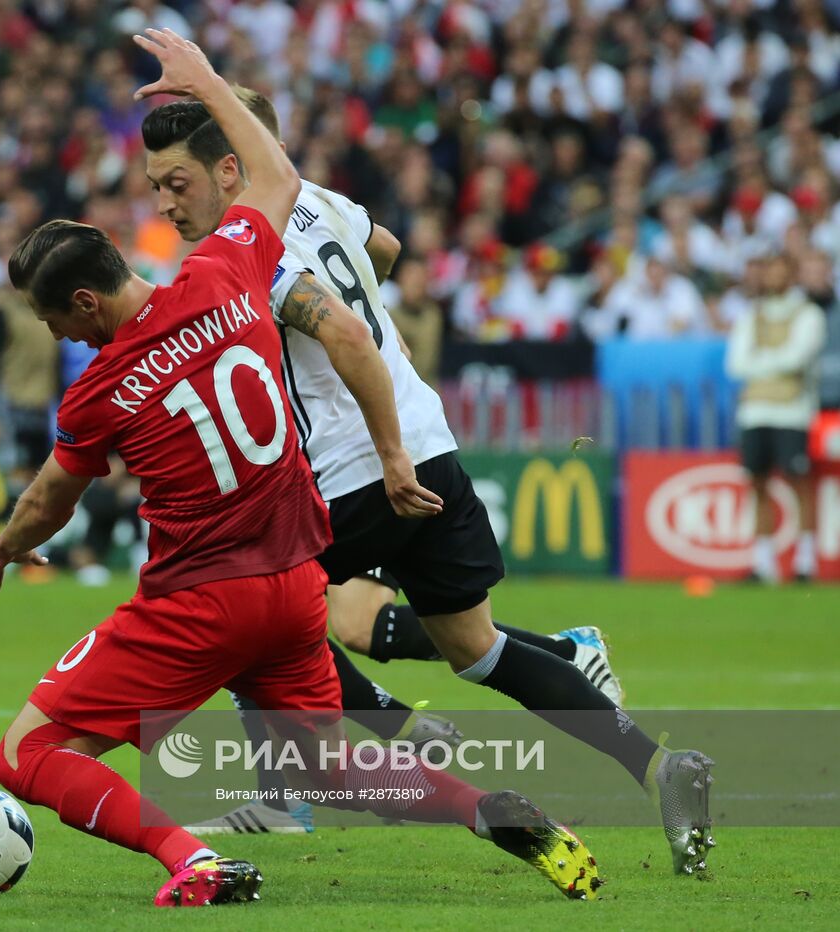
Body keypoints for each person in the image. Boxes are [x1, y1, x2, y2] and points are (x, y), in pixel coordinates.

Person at [0, 30, 600, 907]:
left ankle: (192, 860)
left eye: (51, 320)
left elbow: (48, 501)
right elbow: (279, 183)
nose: (56, 338)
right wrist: (212, 85)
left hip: (199, 601)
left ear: (82, 299)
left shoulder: (97, 393)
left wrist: (4, 546)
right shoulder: (226, 273)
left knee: (26, 755)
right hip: (295, 586)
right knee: (330, 764)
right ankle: (490, 810)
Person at [140, 87, 712, 875]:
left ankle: (346, 761)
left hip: (358, 471)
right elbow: (386, 250)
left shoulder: (257, 251)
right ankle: (657, 766)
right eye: (156, 189)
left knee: (244, 611)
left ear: (232, 170)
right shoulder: (321, 202)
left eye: (178, 184)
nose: (167, 205)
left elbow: (340, 333)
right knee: (474, 647)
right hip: (431, 444)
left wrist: (385, 451)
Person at [725, 253, 827, 583]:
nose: (774, 279)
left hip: (792, 411)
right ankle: (764, 564)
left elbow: (797, 359)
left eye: (781, 273)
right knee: (757, 484)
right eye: (770, 273)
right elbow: (735, 365)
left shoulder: (808, 314)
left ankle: (805, 562)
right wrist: (773, 364)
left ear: (792, 276)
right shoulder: (750, 316)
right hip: (755, 410)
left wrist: (761, 362)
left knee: (799, 484)